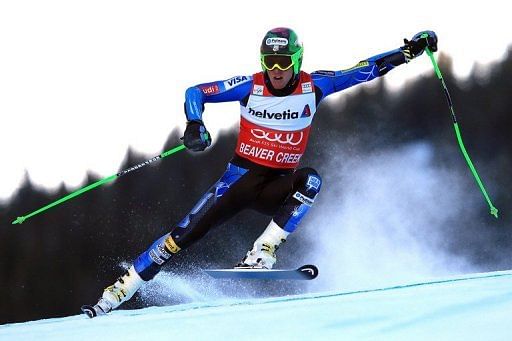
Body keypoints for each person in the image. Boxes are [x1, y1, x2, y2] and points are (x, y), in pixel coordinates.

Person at [88, 27, 438, 315]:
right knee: (180, 237)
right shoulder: (251, 86)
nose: (276, 68)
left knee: (311, 180)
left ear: (296, 60)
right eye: (270, 61)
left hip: (277, 185)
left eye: (283, 61)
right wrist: (195, 123)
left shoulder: (313, 86)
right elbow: (196, 92)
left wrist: (409, 52)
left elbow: (364, 70)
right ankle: (118, 292)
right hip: (239, 180)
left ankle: (262, 254)